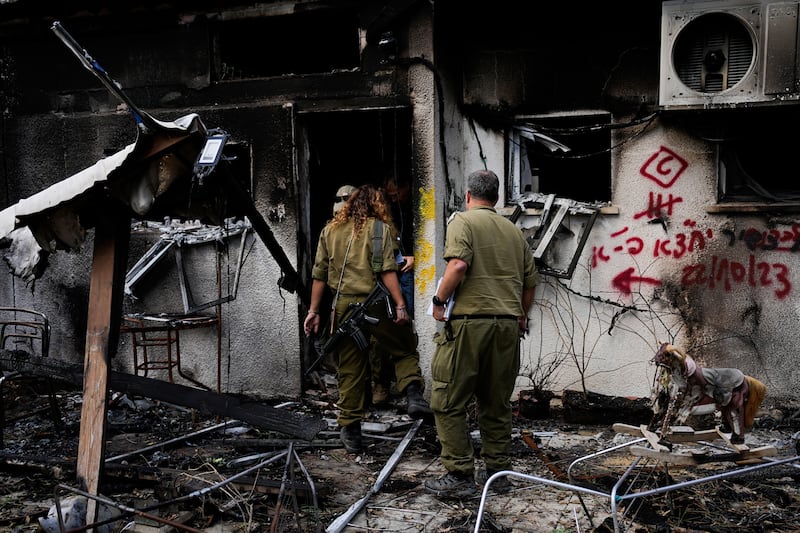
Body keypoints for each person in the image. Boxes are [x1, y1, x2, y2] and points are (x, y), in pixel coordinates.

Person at [424, 169, 539, 499]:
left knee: (447, 400)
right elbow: (530, 284)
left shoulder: (463, 221)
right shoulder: (513, 232)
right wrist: (520, 316)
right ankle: (498, 475)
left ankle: (460, 475)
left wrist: (438, 301)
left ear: (468, 196)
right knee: (496, 403)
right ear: (497, 198)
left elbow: (458, 266)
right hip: (506, 327)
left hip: (469, 326)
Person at [304, 184, 432, 454]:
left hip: (343, 308)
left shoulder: (330, 231)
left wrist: (314, 311)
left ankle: (350, 429)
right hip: (377, 302)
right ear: (377, 205)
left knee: (349, 369)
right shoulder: (380, 230)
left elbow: (319, 275)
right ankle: (412, 393)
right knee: (404, 347)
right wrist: (400, 305)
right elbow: (387, 271)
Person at [370, 177, 415, 406]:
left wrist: (416, 257)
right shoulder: (379, 226)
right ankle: (385, 384)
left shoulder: (413, 209)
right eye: (389, 196)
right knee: (384, 336)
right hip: (385, 282)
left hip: (402, 277)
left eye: (396, 194)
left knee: (402, 329)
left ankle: (406, 385)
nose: (393, 199)